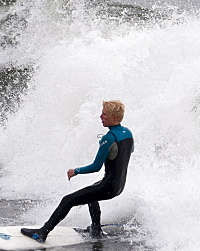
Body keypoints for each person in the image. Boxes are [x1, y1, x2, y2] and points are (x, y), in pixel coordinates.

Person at [21, 101, 133, 242]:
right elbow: (129, 151)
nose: (101, 116)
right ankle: (96, 229)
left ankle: (42, 233)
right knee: (91, 194)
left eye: (104, 114)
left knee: (67, 200)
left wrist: (76, 171)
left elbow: (96, 166)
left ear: (115, 118)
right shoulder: (128, 133)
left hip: (108, 186)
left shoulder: (109, 138)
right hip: (119, 185)